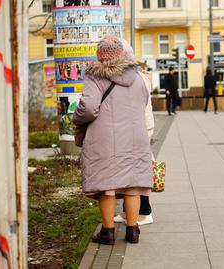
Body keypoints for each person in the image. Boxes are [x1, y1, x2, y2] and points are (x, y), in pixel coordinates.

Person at [73, 36, 153, 245]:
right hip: (136, 137)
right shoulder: (137, 77)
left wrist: (76, 117)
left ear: (99, 55)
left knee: (107, 186)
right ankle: (132, 231)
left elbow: (89, 108)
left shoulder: (95, 76)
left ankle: (107, 233)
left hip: (105, 138)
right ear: (122, 54)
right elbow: (143, 103)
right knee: (133, 185)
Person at [114, 39, 154, 226]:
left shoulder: (137, 77)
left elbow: (140, 107)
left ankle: (145, 212)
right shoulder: (136, 75)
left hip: (140, 127)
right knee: (131, 170)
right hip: (137, 126)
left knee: (138, 171)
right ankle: (128, 211)